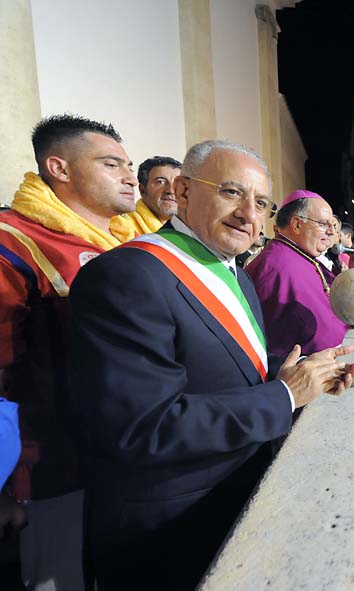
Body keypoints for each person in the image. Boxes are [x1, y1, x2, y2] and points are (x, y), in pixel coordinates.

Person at [66, 139, 354, 590]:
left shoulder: (235, 271)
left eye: (261, 202)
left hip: (230, 503)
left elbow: (228, 367)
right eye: (230, 192)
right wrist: (285, 395)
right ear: (182, 192)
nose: (248, 213)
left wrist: (302, 375)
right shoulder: (125, 275)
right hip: (169, 532)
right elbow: (141, 427)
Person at [0, 114, 139, 590]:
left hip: (117, 458)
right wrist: (8, 481)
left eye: (129, 164)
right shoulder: (12, 242)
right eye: (110, 163)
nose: (128, 176)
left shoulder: (121, 243)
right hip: (49, 468)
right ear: (59, 168)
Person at [245, 190, 354, 358]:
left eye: (333, 225)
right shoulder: (276, 267)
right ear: (296, 224)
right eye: (324, 224)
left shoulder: (304, 255)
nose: (332, 232)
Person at [125, 155, 181, 234]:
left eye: (177, 184)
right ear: (142, 190)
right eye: (161, 182)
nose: (171, 190)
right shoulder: (124, 229)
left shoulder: (189, 231)